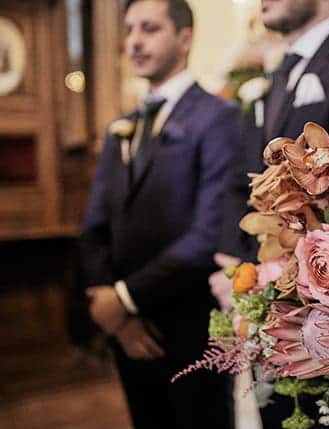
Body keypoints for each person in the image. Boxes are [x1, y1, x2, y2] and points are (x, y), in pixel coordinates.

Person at [212, 0, 329, 427]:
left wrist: (264, 277)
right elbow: (240, 178)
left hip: (323, 307)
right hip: (263, 301)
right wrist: (233, 267)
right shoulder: (276, 74)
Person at [80, 1, 239, 428]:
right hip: (127, 329)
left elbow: (208, 233)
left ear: (185, 39)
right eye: (130, 29)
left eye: (150, 29)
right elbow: (93, 227)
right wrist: (115, 313)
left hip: (190, 327)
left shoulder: (218, 117)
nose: (134, 41)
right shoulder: (121, 128)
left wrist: (123, 298)